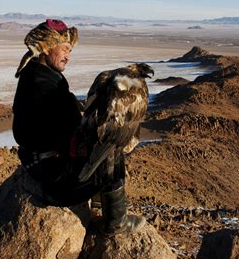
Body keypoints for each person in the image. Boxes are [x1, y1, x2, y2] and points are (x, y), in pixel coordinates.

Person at [12, 19, 145, 235]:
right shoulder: (44, 86)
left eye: (69, 51)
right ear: (46, 48)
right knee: (111, 144)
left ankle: (98, 203)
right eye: (64, 49)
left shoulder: (39, 75)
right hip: (56, 182)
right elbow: (68, 131)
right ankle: (117, 221)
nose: (67, 56)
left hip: (39, 166)